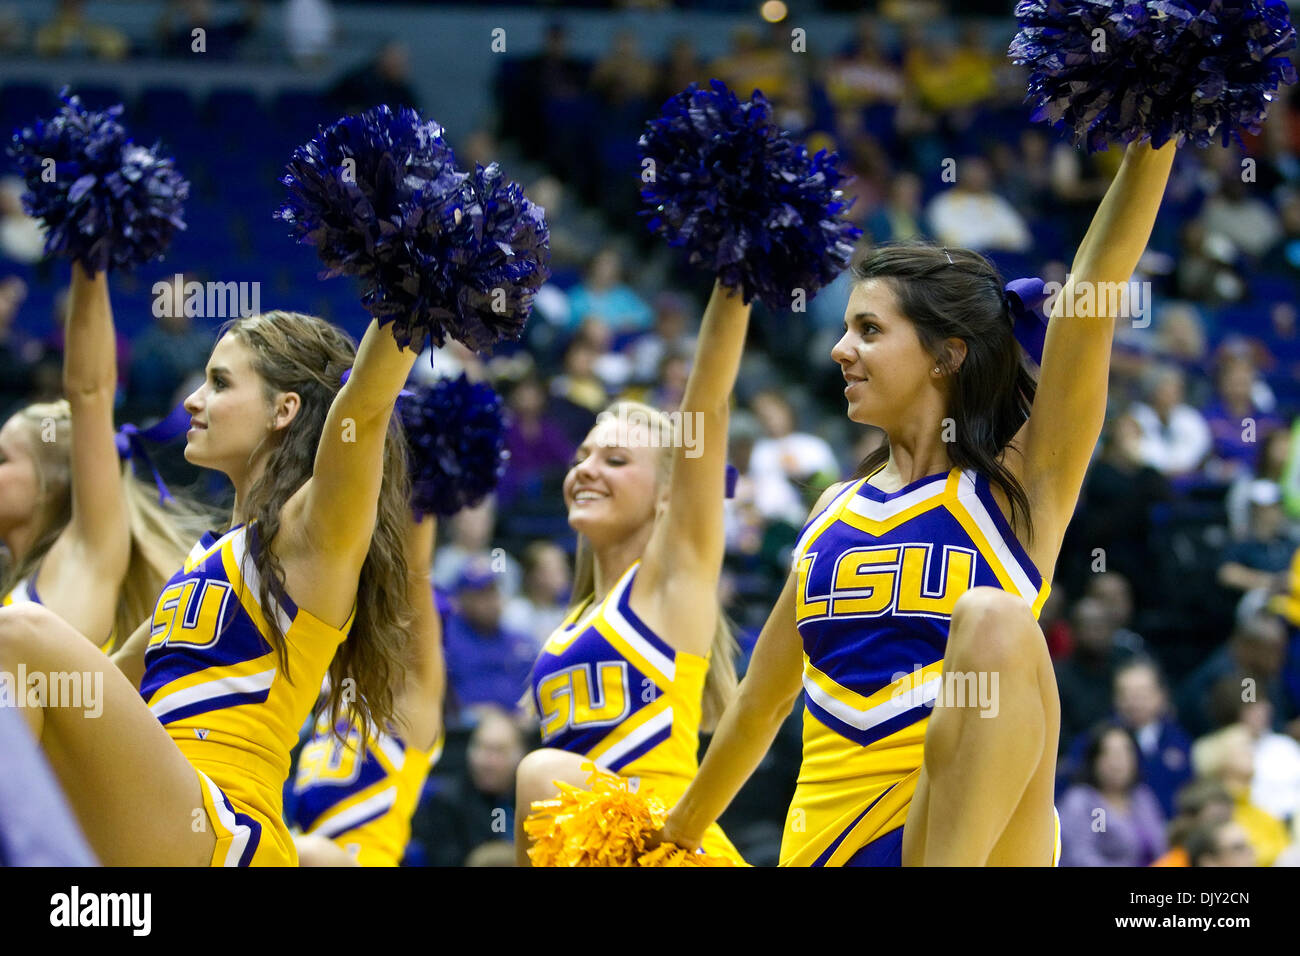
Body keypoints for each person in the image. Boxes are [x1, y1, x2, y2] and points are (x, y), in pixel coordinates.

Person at [658, 140, 1178, 866]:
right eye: (845, 328)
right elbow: (759, 704)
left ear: (946, 354)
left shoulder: (1019, 485)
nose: (841, 349)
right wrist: (672, 836)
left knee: (994, 621)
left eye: (869, 330)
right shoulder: (829, 513)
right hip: (830, 847)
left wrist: (1155, 138)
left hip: (964, 838)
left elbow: (1093, 293)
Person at [0, 309, 421, 865]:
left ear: (283, 409)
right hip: (160, 807)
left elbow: (364, 408)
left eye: (220, 383)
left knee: (20, 632)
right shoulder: (208, 559)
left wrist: (414, 293)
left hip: (226, 828)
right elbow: (109, 682)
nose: (192, 401)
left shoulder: (312, 535)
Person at [513, 281, 752, 865]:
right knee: (541, 778)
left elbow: (706, 408)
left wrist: (735, 278)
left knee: (543, 772)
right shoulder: (574, 619)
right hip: (596, 852)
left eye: (615, 461)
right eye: (582, 458)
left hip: (673, 850)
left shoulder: (672, 588)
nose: (587, 470)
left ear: (670, 494)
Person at [0, 264, 207, 650]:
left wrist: (88, 258)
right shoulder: (14, 575)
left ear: (56, 481)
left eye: (3, 460)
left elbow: (90, 391)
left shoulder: (78, 564)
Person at [291, 513, 446, 867]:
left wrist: (426, 484)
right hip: (300, 856)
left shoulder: (410, 704)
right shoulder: (329, 704)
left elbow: (414, 572)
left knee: (307, 852)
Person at [1057, 724, 1167, 866]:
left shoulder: (1142, 796)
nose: (1118, 761)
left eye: (1125, 752)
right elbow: (1081, 857)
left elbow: (1161, 844)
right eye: (1108, 754)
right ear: (1094, 760)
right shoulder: (1085, 802)